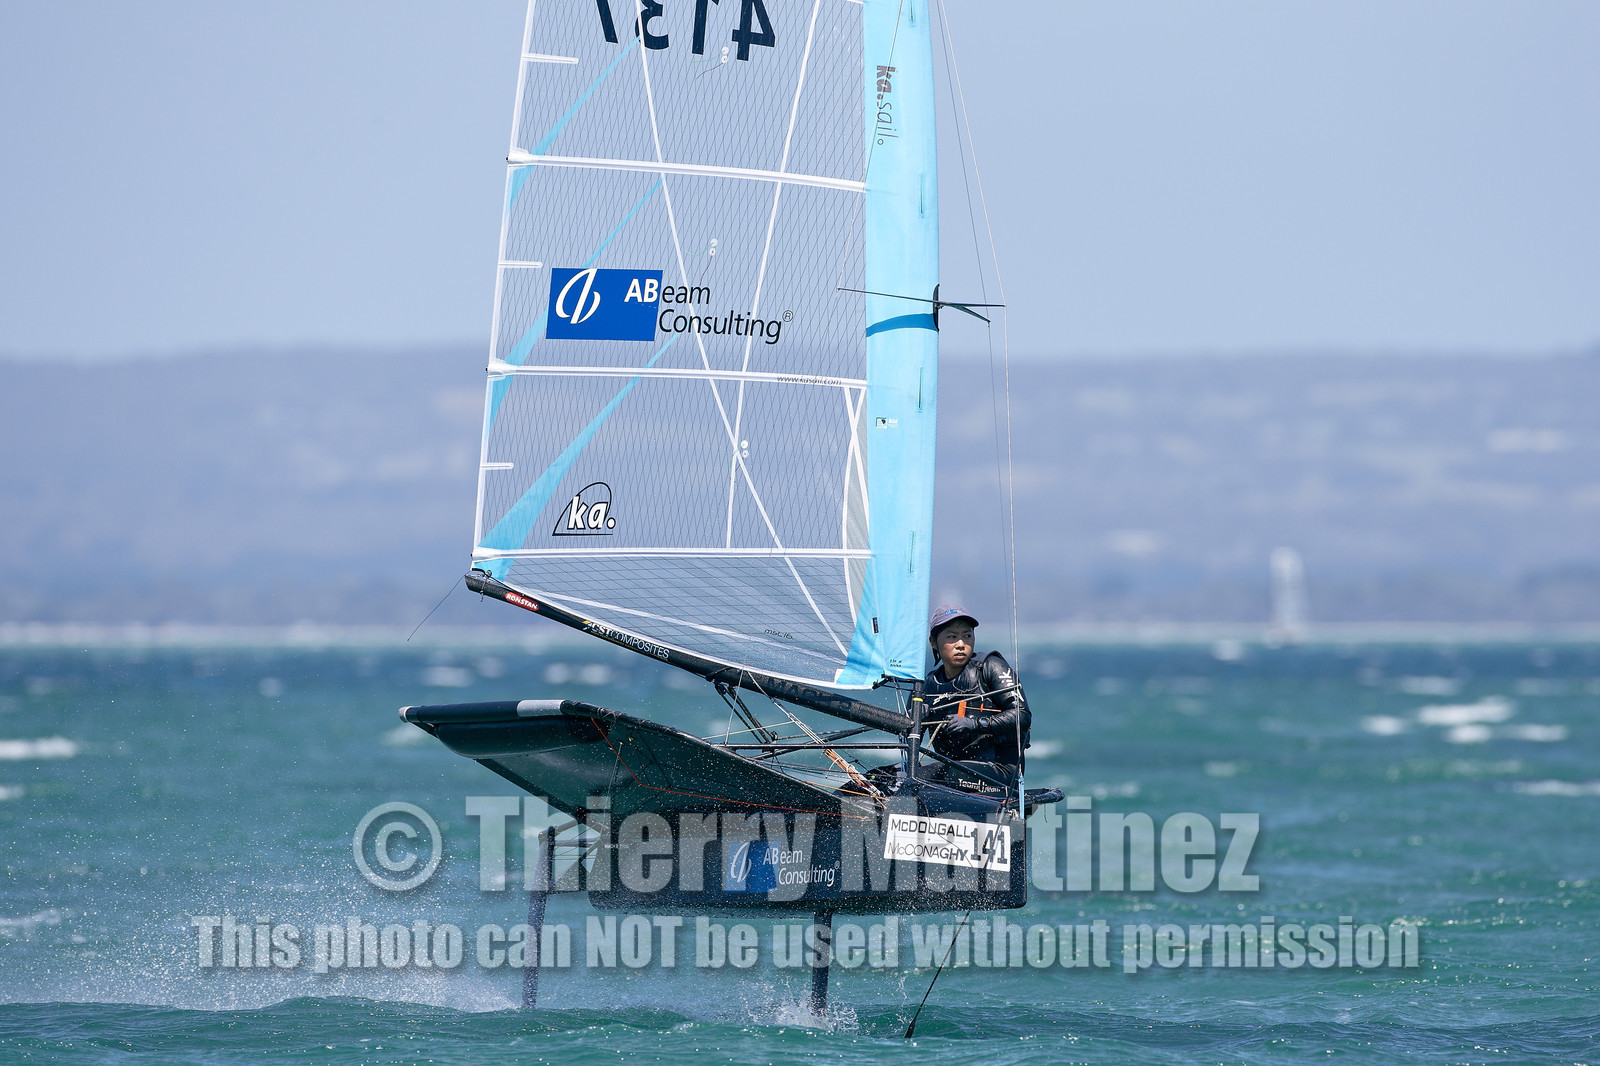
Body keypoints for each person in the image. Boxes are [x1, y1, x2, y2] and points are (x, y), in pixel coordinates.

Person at [920, 605, 1031, 796]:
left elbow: (1022, 715)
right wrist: (913, 719)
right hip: (952, 771)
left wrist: (976, 724)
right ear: (933, 642)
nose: (961, 644)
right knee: (885, 775)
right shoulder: (929, 684)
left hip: (999, 775)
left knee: (926, 775)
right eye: (952, 637)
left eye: (967, 635)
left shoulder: (990, 667)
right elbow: (906, 732)